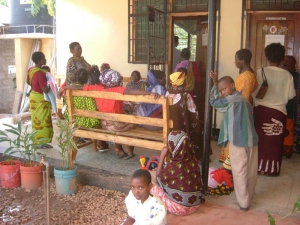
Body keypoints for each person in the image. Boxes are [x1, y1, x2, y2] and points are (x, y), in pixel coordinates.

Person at [67, 69, 160, 159]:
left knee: (122, 121)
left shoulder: (97, 87)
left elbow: (78, 87)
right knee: (134, 123)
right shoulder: (117, 89)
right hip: (116, 126)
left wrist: (64, 88)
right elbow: (132, 92)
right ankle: (129, 149)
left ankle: (119, 148)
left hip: (104, 124)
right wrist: (149, 93)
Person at [210, 73, 258, 211]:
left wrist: (214, 84)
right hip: (252, 140)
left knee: (239, 171)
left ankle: (243, 202)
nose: (223, 93)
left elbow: (213, 101)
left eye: (224, 89)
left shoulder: (230, 100)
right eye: (220, 91)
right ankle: (249, 195)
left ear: (232, 86)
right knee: (251, 170)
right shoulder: (244, 99)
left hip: (238, 140)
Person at [252, 43, 296, 176]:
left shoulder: (261, 72)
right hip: (279, 113)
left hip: (261, 112)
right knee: (275, 143)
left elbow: (254, 92)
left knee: (260, 141)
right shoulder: (288, 75)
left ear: (267, 56)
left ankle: (258, 167)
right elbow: (290, 96)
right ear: (282, 58)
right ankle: (272, 169)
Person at [152, 130, 204, 216]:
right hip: (195, 205)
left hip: (179, 209)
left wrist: (162, 157)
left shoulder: (173, 166)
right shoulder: (193, 160)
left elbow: (158, 177)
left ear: (174, 147)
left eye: (169, 145)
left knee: (150, 181)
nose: (168, 147)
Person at [219, 48, 258, 162]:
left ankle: (233, 160)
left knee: (236, 137)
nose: (235, 62)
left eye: (236, 60)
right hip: (246, 108)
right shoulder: (252, 73)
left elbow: (242, 97)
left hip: (239, 111)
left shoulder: (245, 76)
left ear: (242, 61)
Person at [166, 69, 202, 160]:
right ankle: (196, 153)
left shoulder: (167, 93)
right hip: (181, 126)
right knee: (198, 126)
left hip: (170, 126)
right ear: (182, 82)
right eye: (185, 80)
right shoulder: (185, 95)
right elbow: (193, 111)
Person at [26, 52, 53, 149]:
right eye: (43, 59)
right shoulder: (40, 73)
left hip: (33, 97)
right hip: (40, 99)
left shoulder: (31, 70)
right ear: (39, 61)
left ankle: (36, 141)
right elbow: (45, 89)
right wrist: (51, 85)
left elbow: (27, 81)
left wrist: (35, 85)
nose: (45, 60)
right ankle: (42, 142)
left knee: (36, 120)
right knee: (43, 121)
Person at [281, 55, 300, 156]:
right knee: (290, 128)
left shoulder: (285, 75)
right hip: (295, 107)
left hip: (287, 106)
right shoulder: (297, 76)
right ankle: (289, 149)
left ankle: (285, 150)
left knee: (286, 127)